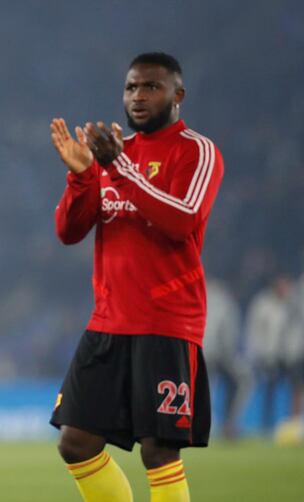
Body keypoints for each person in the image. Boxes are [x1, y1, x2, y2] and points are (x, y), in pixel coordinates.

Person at [48, 52, 224, 502]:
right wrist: (84, 176)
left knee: (159, 451)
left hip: (165, 322)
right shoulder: (111, 152)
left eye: (151, 87)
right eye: (131, 87)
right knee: (76, 443)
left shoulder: (196, 151)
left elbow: (182, 220)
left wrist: (118, 169)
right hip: (108, 321)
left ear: (177, 95)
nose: (138, 96)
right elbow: (69, 232)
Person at [245, 274, 298, 431]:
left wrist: (292, 352)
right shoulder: (263, 304)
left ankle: (292, 425)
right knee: (268, 390)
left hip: (287, 356)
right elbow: (254, 330)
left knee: (293, 389)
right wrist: (257, 353)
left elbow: (294, 331)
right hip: (266, 356)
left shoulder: (291, 305)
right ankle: (266, 424)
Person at [202, 278, 253, 439]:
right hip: (217, 353)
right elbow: (228, 338)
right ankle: (229, 424)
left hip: (194, 351)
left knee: (206, 387)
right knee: (245, 380)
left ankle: (216, 425)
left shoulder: (197, 294)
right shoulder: (227, 304)